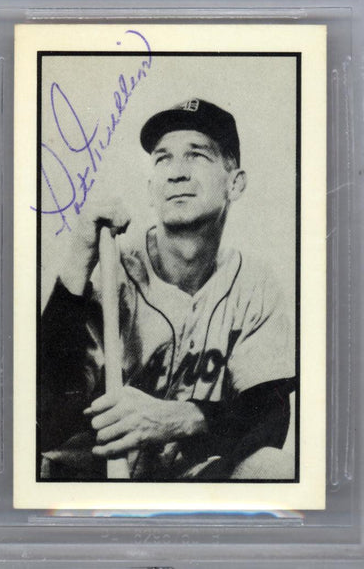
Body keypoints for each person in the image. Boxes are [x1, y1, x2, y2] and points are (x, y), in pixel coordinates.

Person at [39, 98, 296, 481]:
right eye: (163, 159)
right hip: (88, 475)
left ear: (235, 183)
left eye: (197, 155)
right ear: (151, 189)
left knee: (276, 467)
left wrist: (181, 418)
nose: (177, 173)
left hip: (184, 477)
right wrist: (77, 262)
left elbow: (270, 420)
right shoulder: (110, 270)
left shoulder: (254, 284)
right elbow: (43, 416)